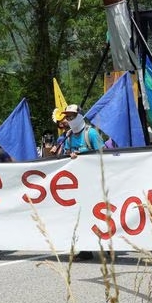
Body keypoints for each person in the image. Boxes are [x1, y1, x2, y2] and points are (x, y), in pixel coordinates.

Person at [60, 104, 104, 261]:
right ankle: (86, 248)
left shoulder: (90, 133)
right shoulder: (69, 136)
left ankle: (100, 243)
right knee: (80, 216)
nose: (69, 119)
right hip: (77, 184)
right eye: (67, 116)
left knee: (95, 215)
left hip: (93, 183)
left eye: (72, 116)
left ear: (80, 116)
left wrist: (84, 155)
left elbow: (103, 155)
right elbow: (65, 155)